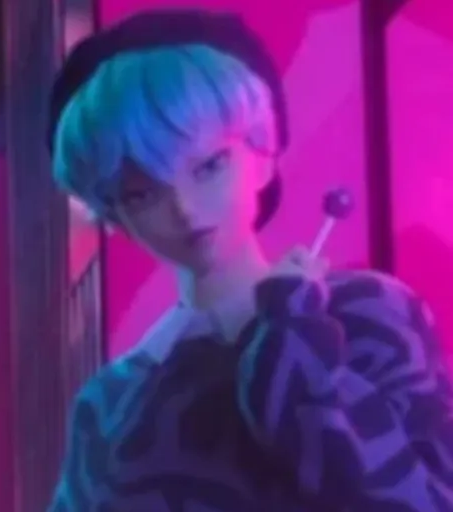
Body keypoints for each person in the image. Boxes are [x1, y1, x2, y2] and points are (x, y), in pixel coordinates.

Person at [47, 9, 453, 511]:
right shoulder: (109, 404)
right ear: (114, 217)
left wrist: (293, 344)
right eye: (143, 194)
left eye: (209, 166)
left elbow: (423, 499)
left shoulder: (363, 313)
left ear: (263, 154)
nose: (185, 208)